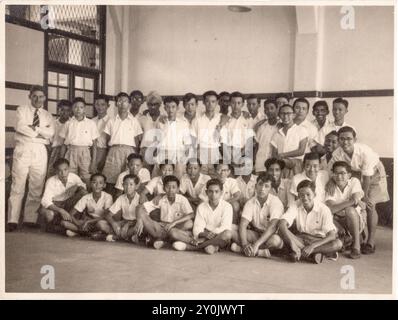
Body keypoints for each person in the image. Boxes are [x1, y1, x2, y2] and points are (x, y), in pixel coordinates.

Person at [328, 126, 389, 254]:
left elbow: (367, 177)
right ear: (338, 140)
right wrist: (331, 181)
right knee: (355, 202)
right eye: (342, 139)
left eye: (349, 139)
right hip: (356, 173)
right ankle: (358, 235)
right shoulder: (337, 153)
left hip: (374, 173)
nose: (345, 142)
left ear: (355, 139)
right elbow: (331, 170)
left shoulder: (364, 151)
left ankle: (371, 242)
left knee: (370, 204)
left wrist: (364, 196)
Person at [7, 85, 55, 231]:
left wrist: (35, 129)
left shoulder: (47, 115)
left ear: (45, 98)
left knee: (36, 186)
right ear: (29, 96)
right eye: (35, 96)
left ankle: (30, 219)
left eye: (41, 96)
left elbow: (51, 132)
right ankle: (12, 220)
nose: (38, 99)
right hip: (23, 148)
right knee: (18, 185)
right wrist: (41, 133)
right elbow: (20, 127)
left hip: (40, 151)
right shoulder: (21, 110)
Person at [278, 180, 343, 264]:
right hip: (300, 239)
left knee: (337, 244)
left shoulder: (323, 209)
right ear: (298, 196)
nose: (305, 197)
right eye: (301, 195)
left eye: (308, 194)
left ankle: (302, 253)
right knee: (281, 230)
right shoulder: (295, 204)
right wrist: (292, 243)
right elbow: (282, 223)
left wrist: (312, 246)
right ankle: (314, 254)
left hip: (318, 241)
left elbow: (332, 235)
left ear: (314, 194)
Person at [170, 179, 233, 255]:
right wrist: (204, 235)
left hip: (218, 235)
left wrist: (206, 237)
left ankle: (191, 247)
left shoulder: (227, 206)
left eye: (216, 191)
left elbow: (225, 227)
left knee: (228, 234)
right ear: (206, 192)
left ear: (221, 193)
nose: (213, 195)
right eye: (210, 191)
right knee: (173, 232)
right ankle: (211, 246)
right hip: (203, 234)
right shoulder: (202, 206)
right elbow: (197, 227)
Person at [230, 173, 284, 258]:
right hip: (255, 233)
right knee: (231, 229)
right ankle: (253, 250)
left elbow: (272, 227)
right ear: (255, 186)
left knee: (275, 241)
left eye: (266, 186)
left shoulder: (275, 202)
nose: (262, 189)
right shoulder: (250, 202)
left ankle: (249, 250)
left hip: (270, 235)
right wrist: (244, 244)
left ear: (270, 189)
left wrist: (256, 244)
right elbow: (243, 224)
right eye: (260, 184)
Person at [135, 175, 194, 249]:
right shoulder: (161, 199)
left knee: (189, 223)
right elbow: (139, 207)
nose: (170, 190)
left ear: (178, 189)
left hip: (177, 227)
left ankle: (161, 240)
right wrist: (139, 220)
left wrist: (174, 223)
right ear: (163, 188)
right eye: (168, 187)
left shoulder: (182, 199)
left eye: (173, 187)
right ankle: (171, 240)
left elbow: (191, 214)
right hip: (163, 228)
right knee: (143, 216)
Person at [325, 161, 366, 259]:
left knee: (350, 210)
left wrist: (340, 206)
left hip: (354, 220)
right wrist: (352, 201)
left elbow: (355, 197)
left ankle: (356, 246)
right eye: (336, 173)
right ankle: (348, 239)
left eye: (343, 173)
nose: (339, 176)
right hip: (338, 220)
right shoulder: (331, 186)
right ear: (332, 175)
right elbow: (331, 209)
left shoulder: (354, 181)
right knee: (328, 216)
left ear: (349, 175)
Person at [102, 92, 143, 186]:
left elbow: (136, 141)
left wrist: (134, 155)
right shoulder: (111, 121)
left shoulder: (134, 121)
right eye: (120, 101)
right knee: (111, 178)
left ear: (129, 104)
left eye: (125, 101)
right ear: (116, 104)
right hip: (114, 150)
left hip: (129, 151)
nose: (122, 104)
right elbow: (107, 139)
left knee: (128, 178)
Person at [39, 158, 88, 233]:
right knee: (49, 214)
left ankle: (73, 224)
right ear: (56, 171)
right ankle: (55, 227)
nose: (63, 173)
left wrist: (77, 187)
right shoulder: (51, 181)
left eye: (65, 170)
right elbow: (45, 201)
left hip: (68, 203)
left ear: (69, 169)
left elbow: (83, 186)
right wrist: (61, 210)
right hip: (56, 205)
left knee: (83, 193)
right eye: (60, 171)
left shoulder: (73, 176)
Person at [58, 97, 99, 185]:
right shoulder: (68, 124)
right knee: (70, 177)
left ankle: (86, 197)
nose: (78, 110)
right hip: (71, 152)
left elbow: (95, 145)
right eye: (76, 107)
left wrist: (93, 162)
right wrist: (61, 160)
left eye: (81, 107)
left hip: (85, 152)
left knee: (86, 177)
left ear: (84, 109)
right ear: (72, 109)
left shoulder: (91, 123)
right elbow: (63, 145)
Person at [62, 173, 113, 239]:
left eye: (100, 183)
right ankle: (89, 233)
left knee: (100, 225)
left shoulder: (108, 197)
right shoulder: (86, 197)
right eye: (94, 182)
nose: (97, 185)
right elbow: (71, 214)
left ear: (104, 185)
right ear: (90, 184)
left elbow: (106, 216)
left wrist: (88, 222)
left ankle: (82, 233)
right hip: (89, 223)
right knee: (64, 223)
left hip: (101, 222)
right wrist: (78, 224)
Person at [154, 96, 193, 178]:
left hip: (177, 154)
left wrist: (184, 159)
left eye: (173, 107)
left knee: (177, 178)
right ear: (164, 108)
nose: (170, 110)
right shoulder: (160, 122)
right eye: (167, 107)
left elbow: (187, 143)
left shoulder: (183, 123)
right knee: (160, 177)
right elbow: (157, 140)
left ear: (177, 108)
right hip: (163, 154)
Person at [220, 91, 255, 174]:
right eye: (233, 103)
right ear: (229, 103)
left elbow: (250, 141)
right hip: (228, 157)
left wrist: (240, 156)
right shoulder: (224, 119)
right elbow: (223, 142)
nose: (236, 106)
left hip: (244, 155)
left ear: (243, 104)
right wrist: (229, 159)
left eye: (239, 103)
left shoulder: (248, 119)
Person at [191, 91, 223, 177]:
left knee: (216, 178)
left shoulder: (221, 118)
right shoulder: (197, 120)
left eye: (213, 101)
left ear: (217, 103)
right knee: (202, 178)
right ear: (204, 102)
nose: (210, 104)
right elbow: (193, 141)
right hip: (201, 152)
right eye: (207, 101)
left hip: (215, 151)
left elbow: (223, 139)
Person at [270, 104, 308, 177]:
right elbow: (274, 154)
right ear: (279, 115)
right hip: (281, 165)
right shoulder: (277, 134)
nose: (285, 116)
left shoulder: (301, 130)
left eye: (288, 113)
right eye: (282, 114)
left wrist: (283, 155)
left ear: (293, 115)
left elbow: (301, 150)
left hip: (296, 165)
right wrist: (279, 160)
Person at [105, 174, 142, 242]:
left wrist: (128, 225)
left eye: (131, 184)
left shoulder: (140, 198)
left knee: (139, 228)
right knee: (101, 224)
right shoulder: (121, 198)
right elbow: (108, 215)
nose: (128, 187)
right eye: (125, 184)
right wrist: (114, 224)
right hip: (124, 222)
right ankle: (128, 237)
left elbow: (144, 218)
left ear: (136, 186)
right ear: (122, 185)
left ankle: (116, 237)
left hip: (136, 223)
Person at [139, 91, 163, 172]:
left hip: (160, 150)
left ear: (160, 104)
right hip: (145, 150)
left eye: (155, 104)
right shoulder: (142, 118)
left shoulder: (164, 118)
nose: (152, 107)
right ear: (147, 105)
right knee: (145, 174)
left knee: (158, 175)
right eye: (150, 104)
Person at [47, 99, 72, 178]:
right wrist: (51, 150)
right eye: (62, 110)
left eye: (67, 110)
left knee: (67, 174)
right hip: (55, 151)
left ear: (70, 111)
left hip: (69, 151)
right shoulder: (53, 123)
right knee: (52, 172)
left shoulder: (72, 123)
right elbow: (48, 139)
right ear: (58, 110)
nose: (65, 112)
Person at [254, 99, 279, 173]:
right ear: (264, 111)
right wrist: (254, 161)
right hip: (260, 163)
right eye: (267, 109)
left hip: (274, 165)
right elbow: (257, 145)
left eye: (272, 108)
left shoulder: (281, 126)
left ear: (277, 109)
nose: (269, 111)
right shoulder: (261, 127)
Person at [92, 94, 110, 173]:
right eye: (97, 104)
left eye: (103, 105)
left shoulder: (111, 121)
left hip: (105, 150)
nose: (100, 107)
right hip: (92, 150)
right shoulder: (91, 121)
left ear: (108, 106)